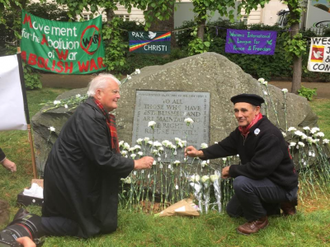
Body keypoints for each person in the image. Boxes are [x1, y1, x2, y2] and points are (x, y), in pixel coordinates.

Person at [40, 73, 154, 238]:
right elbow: (102, 157)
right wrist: (135, 164)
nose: (118, 96)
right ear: (99, 93)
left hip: (74, 173)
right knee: (84, 228)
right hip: (68, 177)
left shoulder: (94, 112)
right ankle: (32, 224)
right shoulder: (89, 117)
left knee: (100, 224)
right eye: (114, 91)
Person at [185, 93, 298, 235]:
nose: (239, 115)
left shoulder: (269, 135)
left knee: (241, 183)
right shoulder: (243, 131)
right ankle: (274, 206)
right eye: (236, 111)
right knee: (233, 211)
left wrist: (231, 170)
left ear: (257, 110)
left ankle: (259, 219)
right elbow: (224, 146)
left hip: (282, 185)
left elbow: (259, 169)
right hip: (264, 181)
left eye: (244, 110)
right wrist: (200, 153)